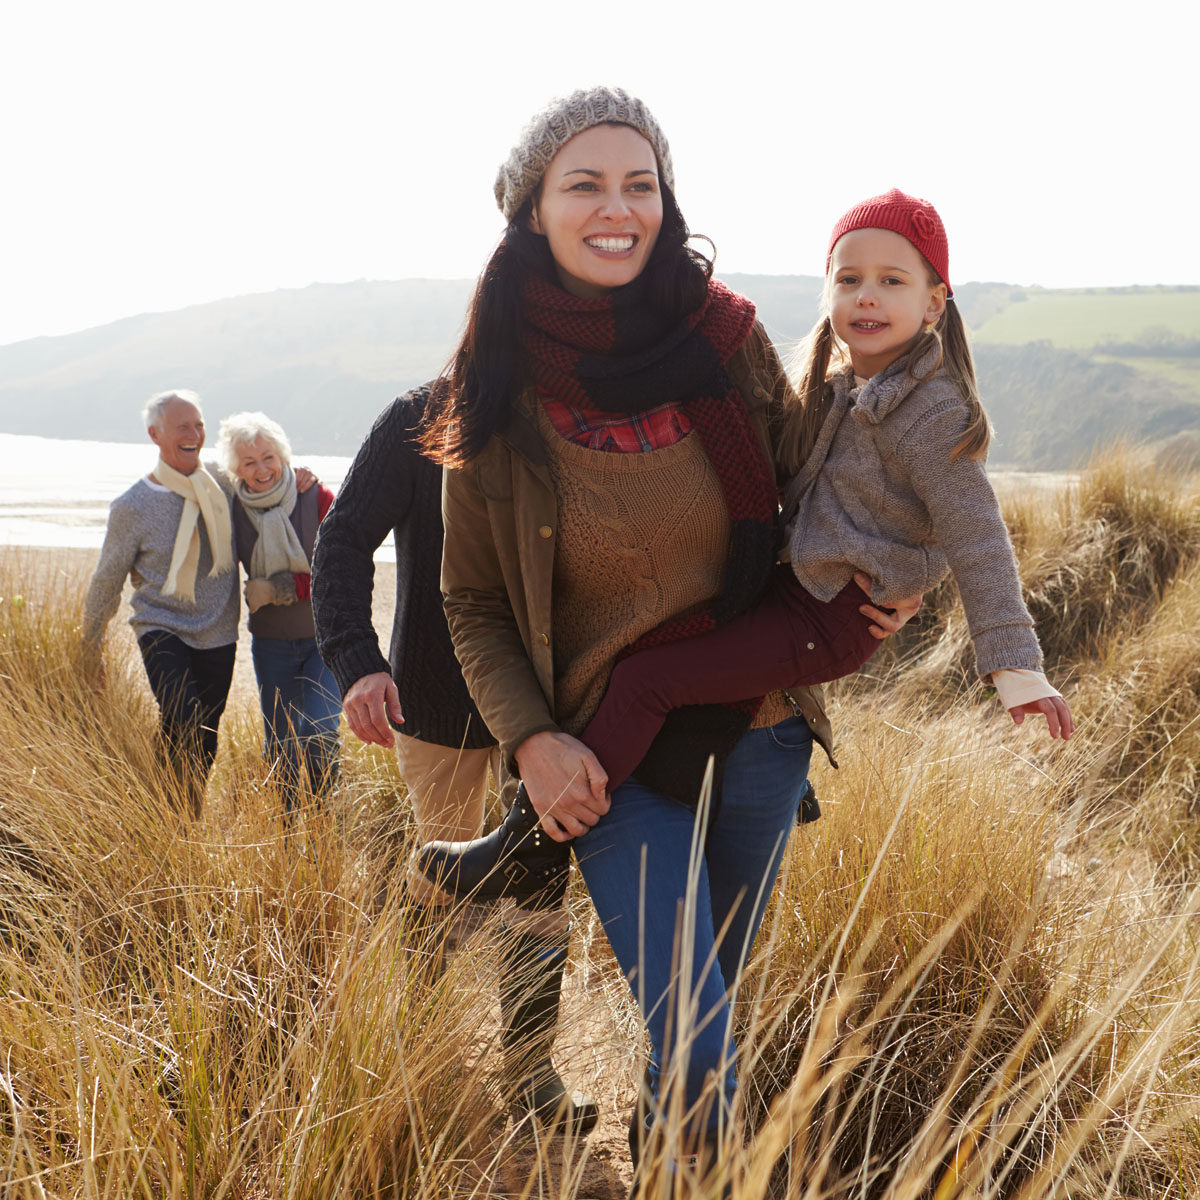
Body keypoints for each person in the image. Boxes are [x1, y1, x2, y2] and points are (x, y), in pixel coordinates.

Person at [413, 88, 919, 1175]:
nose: (619, 207)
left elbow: (813, 486)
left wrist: (904, 563)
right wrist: (532, 741)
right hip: (609, 756)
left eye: (639, 184)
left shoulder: (727, 343)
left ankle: (664, 1151)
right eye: (584, 184)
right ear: (533, 208)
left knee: (702, 1016)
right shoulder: (493, 394)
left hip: (761, 733)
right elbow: (474, 603)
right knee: (699, 1028)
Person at [426, 189, 1076, 894]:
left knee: (648, 680)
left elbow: (974, 531)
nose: (867, 296)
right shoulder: (842, 389)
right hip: (801, 591)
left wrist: (1013, 664)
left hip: (828, 613)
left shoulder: (932, 409)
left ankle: (533, 845)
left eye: (893, 281)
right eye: (849, 279)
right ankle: (595, 820)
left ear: (934, 303)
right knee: (653, 655)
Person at [309, 383, 597, 1136]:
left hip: (549, 705)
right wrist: (357, 660)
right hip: (431, 699)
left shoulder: (582, 409)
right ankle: (417, 1027)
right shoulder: (418, 416)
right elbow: (341, 540)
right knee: (445, 879)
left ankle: (530, 1069)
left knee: (542, 877)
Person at [84, 389, 238, 817]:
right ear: (155, 434)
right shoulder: (132, 505)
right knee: (182, 717)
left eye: (199, 424)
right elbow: (106, 580)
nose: (194, 434)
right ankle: (161, 810)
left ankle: (185, 817)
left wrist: (297, 476)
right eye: (183, 427)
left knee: (205, 733)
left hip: (219, 630)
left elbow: (269, 489)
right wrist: (90, 644)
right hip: (161, 626)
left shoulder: (224, 485)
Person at [217, 412, 341, 810]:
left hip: (325, 641)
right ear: (236, 468)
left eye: (268, 457)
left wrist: (279, 589)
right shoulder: (232, 507)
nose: (261, 469)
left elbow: (339, 572)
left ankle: (326, 829)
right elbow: (193, 476)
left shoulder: (317, 498)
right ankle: (287, 833)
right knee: (282, 743)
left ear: (283, 455)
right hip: (270, 645)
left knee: (321, 732)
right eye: (249, 462)